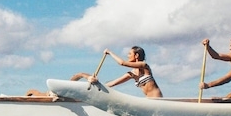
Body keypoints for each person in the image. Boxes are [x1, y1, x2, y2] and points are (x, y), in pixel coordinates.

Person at [25, 46, 162, 98]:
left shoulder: (145, 66)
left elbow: (121, 63)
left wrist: (110, 52)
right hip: (149, 102)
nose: (128, 56)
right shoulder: (132, 74)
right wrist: (96, 83)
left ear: (136, 56)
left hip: (159, 102)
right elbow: (111, 84)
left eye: (129, 54)